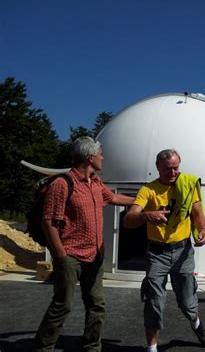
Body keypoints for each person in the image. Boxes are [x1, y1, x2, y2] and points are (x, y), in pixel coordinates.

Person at [34, 136, 135, 351]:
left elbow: (114, 199)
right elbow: (49, 222)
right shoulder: (63, 184)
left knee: (96, 305)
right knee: (62, 306)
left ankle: (92, 348)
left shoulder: (96, 183)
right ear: (90, 158)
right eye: (100, 155)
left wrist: (144, 200)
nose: (103, 158)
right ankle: (44, 347)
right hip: (71, 256)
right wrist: (60, 256)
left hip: (95, 256)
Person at [124, 149, 205, 352]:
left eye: (176, 167)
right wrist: (147, 215)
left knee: (187, 303)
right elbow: (129, 220)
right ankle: (152, 347)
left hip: (182, 252)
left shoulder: (188, 184)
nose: (173, 172)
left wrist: (202, 230)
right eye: (168, 169)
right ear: (158, 168)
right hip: (157, 253)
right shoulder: (148, 190)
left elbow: (197, 213)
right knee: (154, 301)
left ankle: (196, 323)